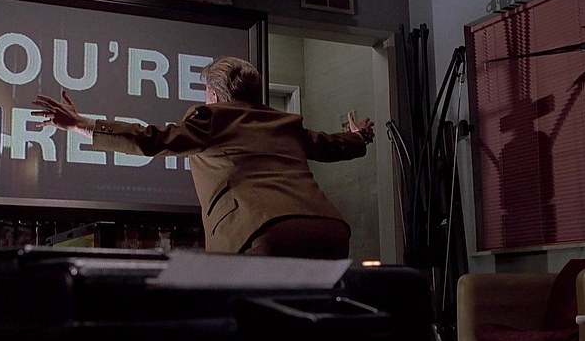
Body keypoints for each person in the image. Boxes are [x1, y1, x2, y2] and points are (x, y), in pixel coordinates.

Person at [33, 56, 374, 259]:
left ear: (214, 95)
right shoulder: (285, 123)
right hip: (330, 230)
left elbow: (151, 140)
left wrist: (79, 124)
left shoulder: (212, 118)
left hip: (265, 233)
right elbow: (331, 145)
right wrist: (359, 137)